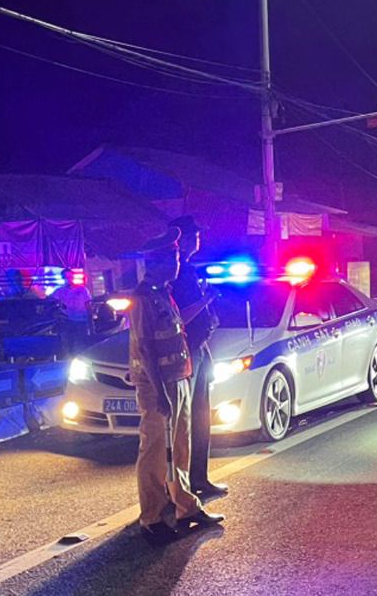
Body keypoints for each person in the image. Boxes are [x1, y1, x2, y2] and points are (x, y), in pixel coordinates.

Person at [129, 228, 224, 546]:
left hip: (179, 378)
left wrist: (206, 301)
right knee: (156, 452)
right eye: (172, 258)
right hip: (159, 386)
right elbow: (145, 349)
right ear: (155, 263)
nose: (177, 263)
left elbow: (178, 324)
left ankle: (186, 508)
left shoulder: (162, 293)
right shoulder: (143, 299)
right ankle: (152, 518)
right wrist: (159, 392)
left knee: (180, 448)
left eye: (178, 257)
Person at [167, 216, 226, 502]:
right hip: (187, 349)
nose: (198, 240)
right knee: (188, 419)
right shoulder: (178, 273)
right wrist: (208, 298)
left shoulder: (188, 270)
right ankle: (185, 483)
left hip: (199, 348)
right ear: (184, 239)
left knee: (201, 416)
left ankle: (199, 478)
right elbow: (180, 316)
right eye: (195, 235)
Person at [51, 268, 92, 352]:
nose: (68, 279)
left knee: (82, 342)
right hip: (67, 321)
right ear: (63, 278)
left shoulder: (83, 289)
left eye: (70, 276)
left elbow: (88, 304)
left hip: (81, 320)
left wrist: (90, 320)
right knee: (68, 343)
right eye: (66, 277)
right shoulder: (59, 291)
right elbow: (52, 303)